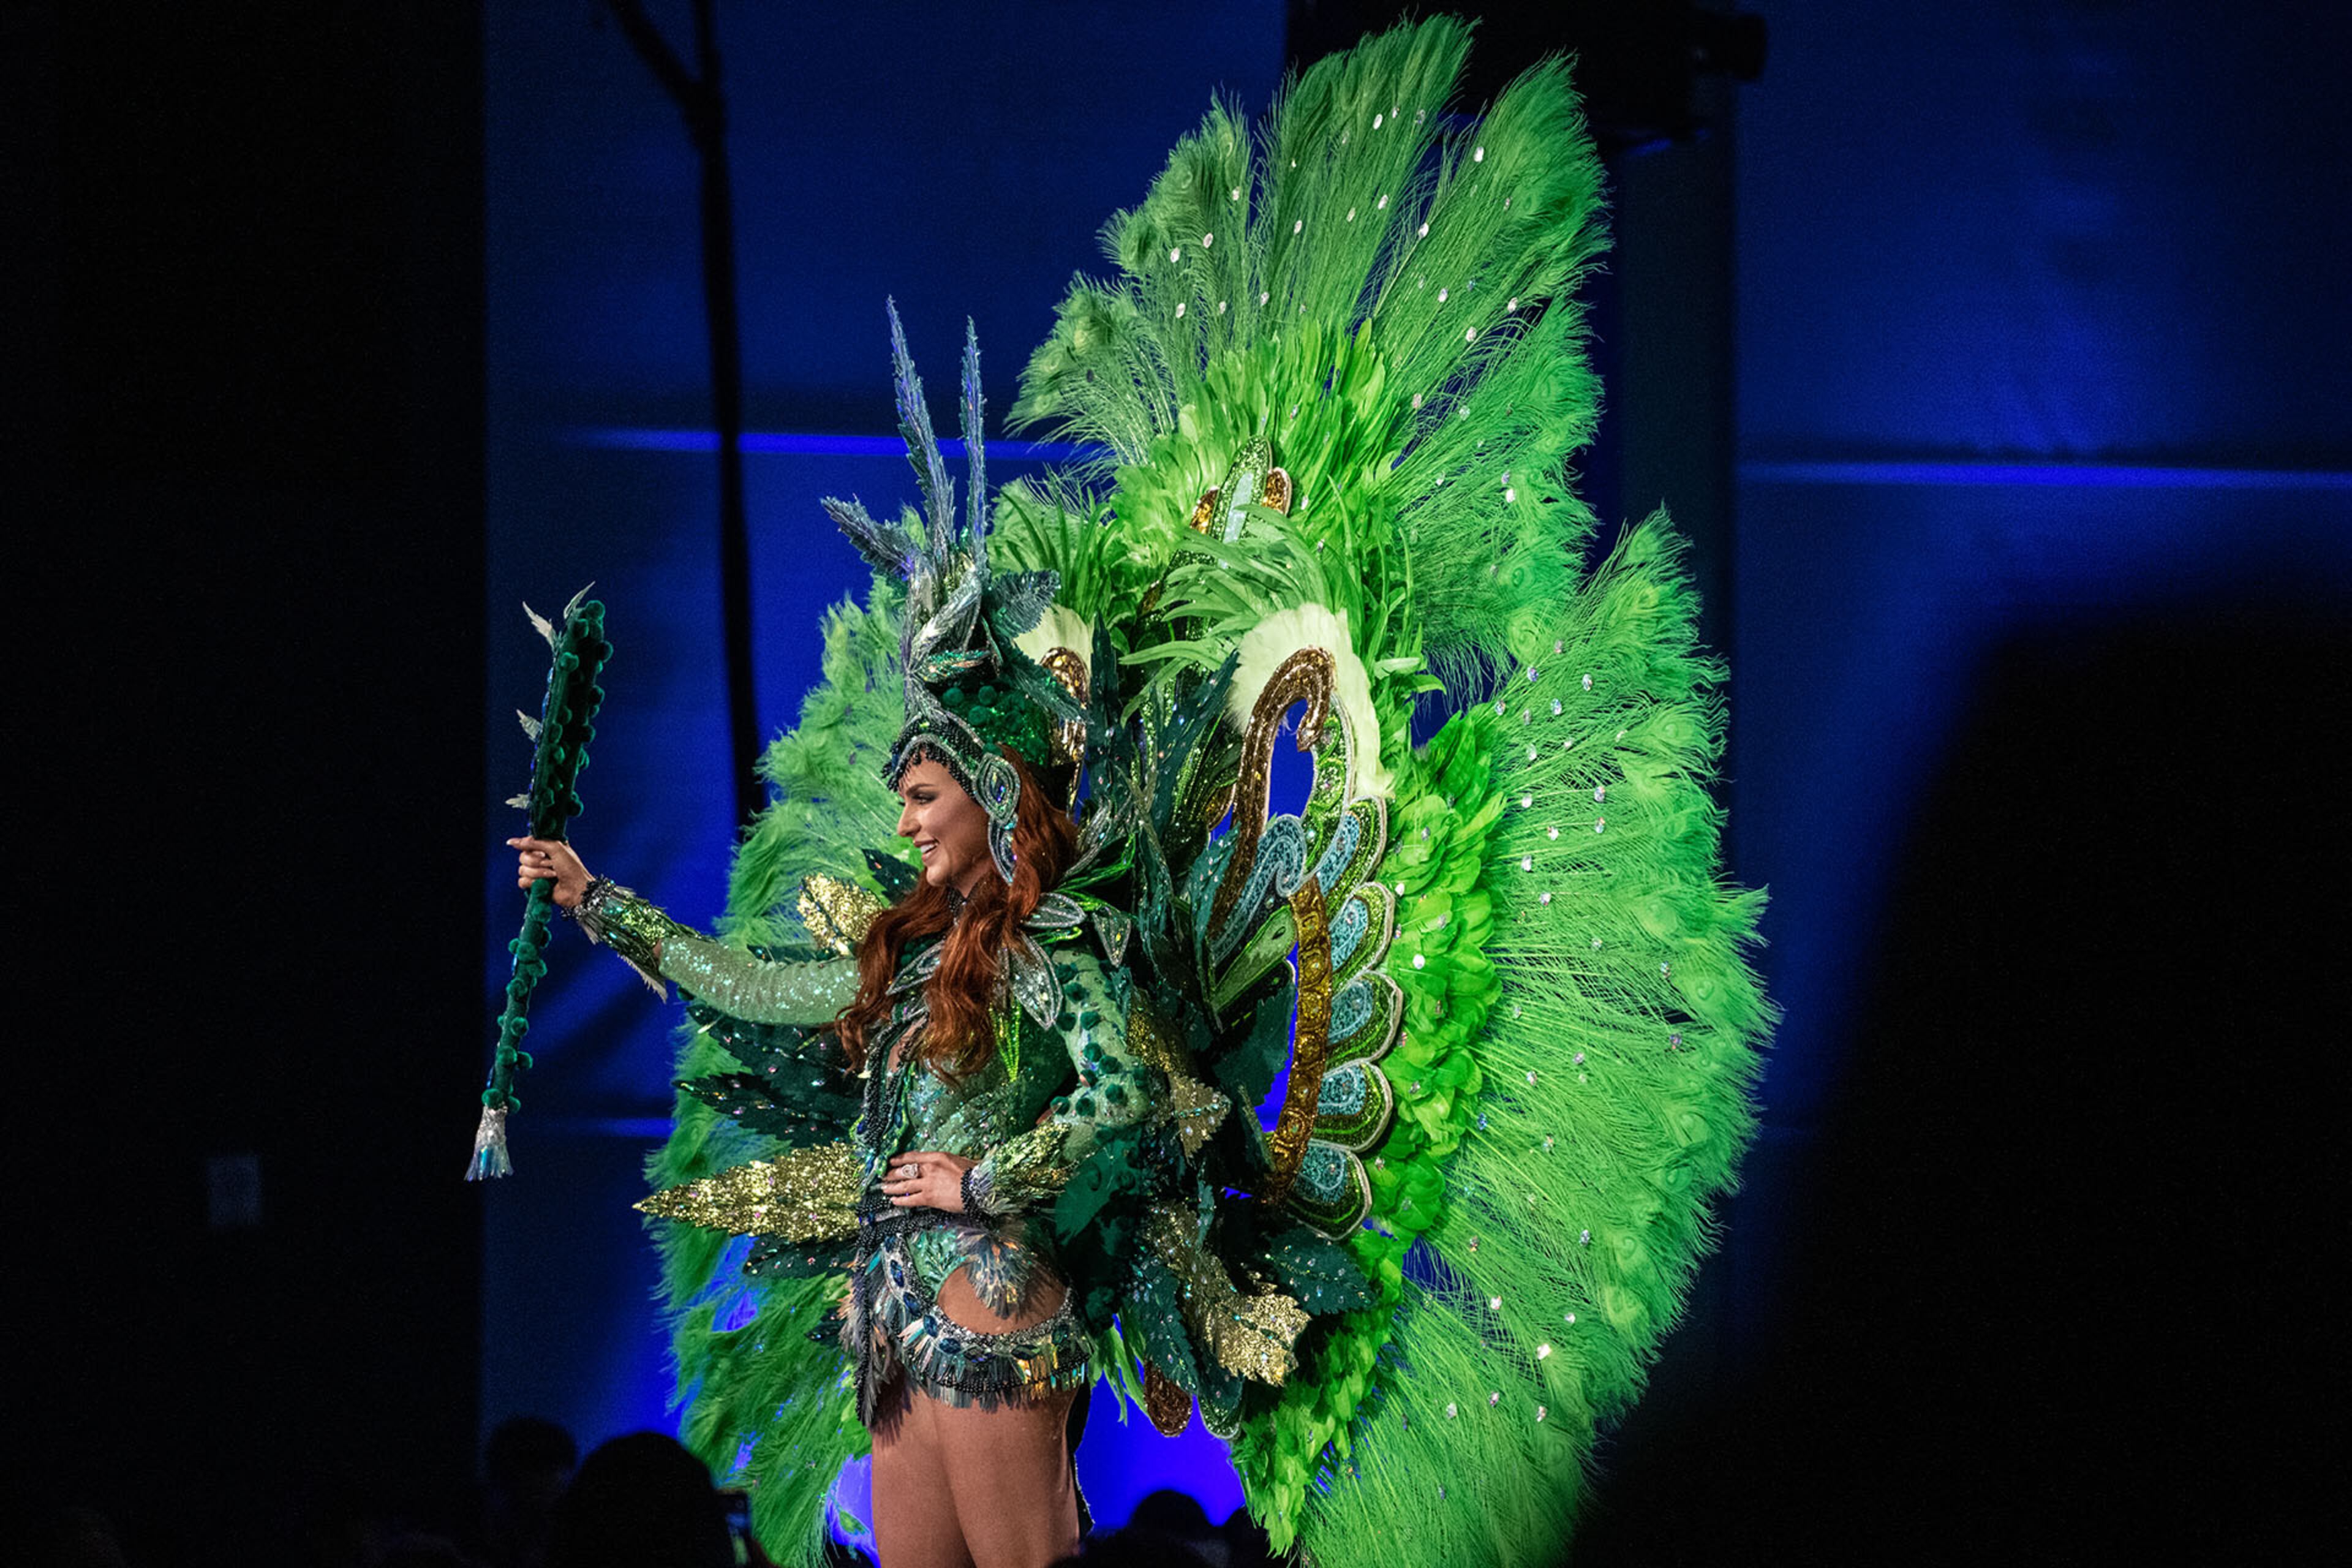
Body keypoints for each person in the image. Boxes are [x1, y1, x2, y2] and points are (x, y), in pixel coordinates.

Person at [511, 676, 1129, 1568]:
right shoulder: (904, 955)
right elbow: (753, 987)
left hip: (989, 1296)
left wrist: (984, 1180)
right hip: (891, 1313)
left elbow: (1124, 1090)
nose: (908, 823)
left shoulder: (1052, 947)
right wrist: (596, 901)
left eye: (924, 799)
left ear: (994, 792)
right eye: (904, 803)